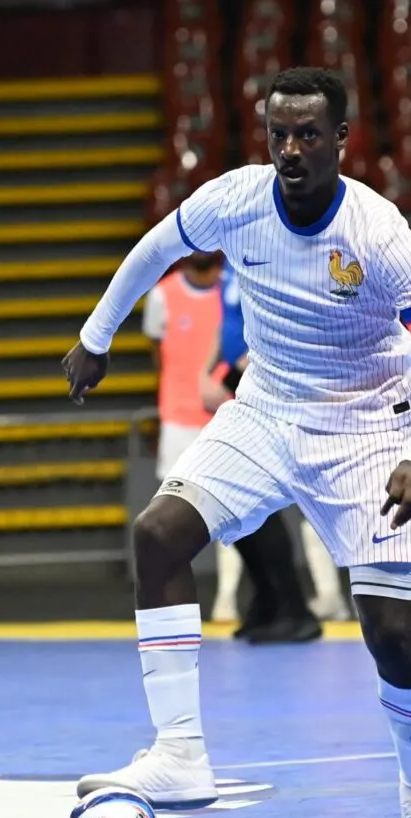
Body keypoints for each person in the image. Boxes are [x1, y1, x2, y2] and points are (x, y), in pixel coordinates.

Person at [61, 67, 411, 818]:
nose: (291, 148)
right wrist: (96, 334)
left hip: (370, 427)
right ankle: (180, 755)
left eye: (309, 134)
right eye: (279, 133)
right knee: (158, 534)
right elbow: (156, 248)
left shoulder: (380, 235)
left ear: (342, 142)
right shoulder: (236, 198)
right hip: (267, 407)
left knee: (388, 628)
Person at [201, 260, 351, 632]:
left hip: (276, 383)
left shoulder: (271, 247)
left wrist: (243, 366)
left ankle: (294, 608)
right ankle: (268, 600)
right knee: (236, 495)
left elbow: (294, 313)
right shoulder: (232, 258)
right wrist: (209, 370)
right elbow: (230, 320)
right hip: (241, 380)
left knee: (259, 498)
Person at [142, 251, 246, 626]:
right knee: (167, 515)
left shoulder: (235, 289)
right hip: (179, 420)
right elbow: (159, 352)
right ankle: (169, 603)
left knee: (231, 516)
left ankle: (226, 600)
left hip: (226, 416)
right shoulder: (162, 295)